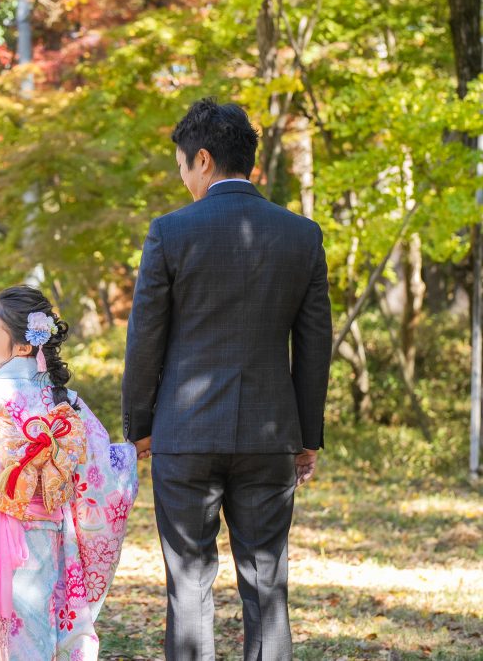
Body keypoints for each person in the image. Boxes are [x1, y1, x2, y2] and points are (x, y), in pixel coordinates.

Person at [122, 98, 332, 660]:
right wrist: (307, 435)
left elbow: (145, 339)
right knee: (268, 585)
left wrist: (139, 426)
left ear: (205, 160)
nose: (184, 178)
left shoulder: (169, 233)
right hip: (270, 438)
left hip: (184, 436)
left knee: (188, 586)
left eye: (183, 166)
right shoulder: (302, 235)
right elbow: (314, 347)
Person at [0, 286, 138, 661]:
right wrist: (132, 454)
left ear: (22, 347)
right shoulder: (66, 403)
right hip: (46, 543)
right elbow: (100, 475)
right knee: (38, 636)